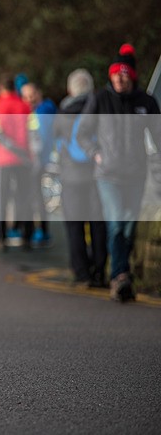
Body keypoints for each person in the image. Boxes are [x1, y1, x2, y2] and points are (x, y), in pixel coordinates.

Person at [77, 44, 161, 301]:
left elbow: (158, 137)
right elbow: (81, 133)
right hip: (107, 175)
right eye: (115, 73)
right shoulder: (100, 99)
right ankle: (119, 277)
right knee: (115, 225)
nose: (120, 78)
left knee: (128, 226)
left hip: (135, 174)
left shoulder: (145, 103)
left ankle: (123, 273)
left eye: (124, 74)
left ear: (132, 76)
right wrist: (95, 153)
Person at [52, 69, 107, 288]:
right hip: (96, 174)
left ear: (69, 89)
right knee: (98, 224)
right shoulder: (98, 109)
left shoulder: (61, 112)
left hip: (70, 176)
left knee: (74, 225)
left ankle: (80, 271)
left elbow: (55, 143)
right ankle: (99, 270)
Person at [0, 75, 36, 251]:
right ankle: (27, 236)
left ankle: (1, 237)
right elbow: (34, 132)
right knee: (24, 198)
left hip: (2, 159)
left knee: (2, 199)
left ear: (0, 89)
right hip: (24, 160)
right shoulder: (25, 107)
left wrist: (10, 148)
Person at [20, 82, 57, 247]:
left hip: (41, 161)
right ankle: (39, 231)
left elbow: (40, 141)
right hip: (39, 160)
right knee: (36, 197)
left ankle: (41, 231)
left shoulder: (43, 111)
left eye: (31, 95)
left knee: (36, 197)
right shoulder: (39, 111)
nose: (28, 99)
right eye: (25, 96)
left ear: (39, 93)